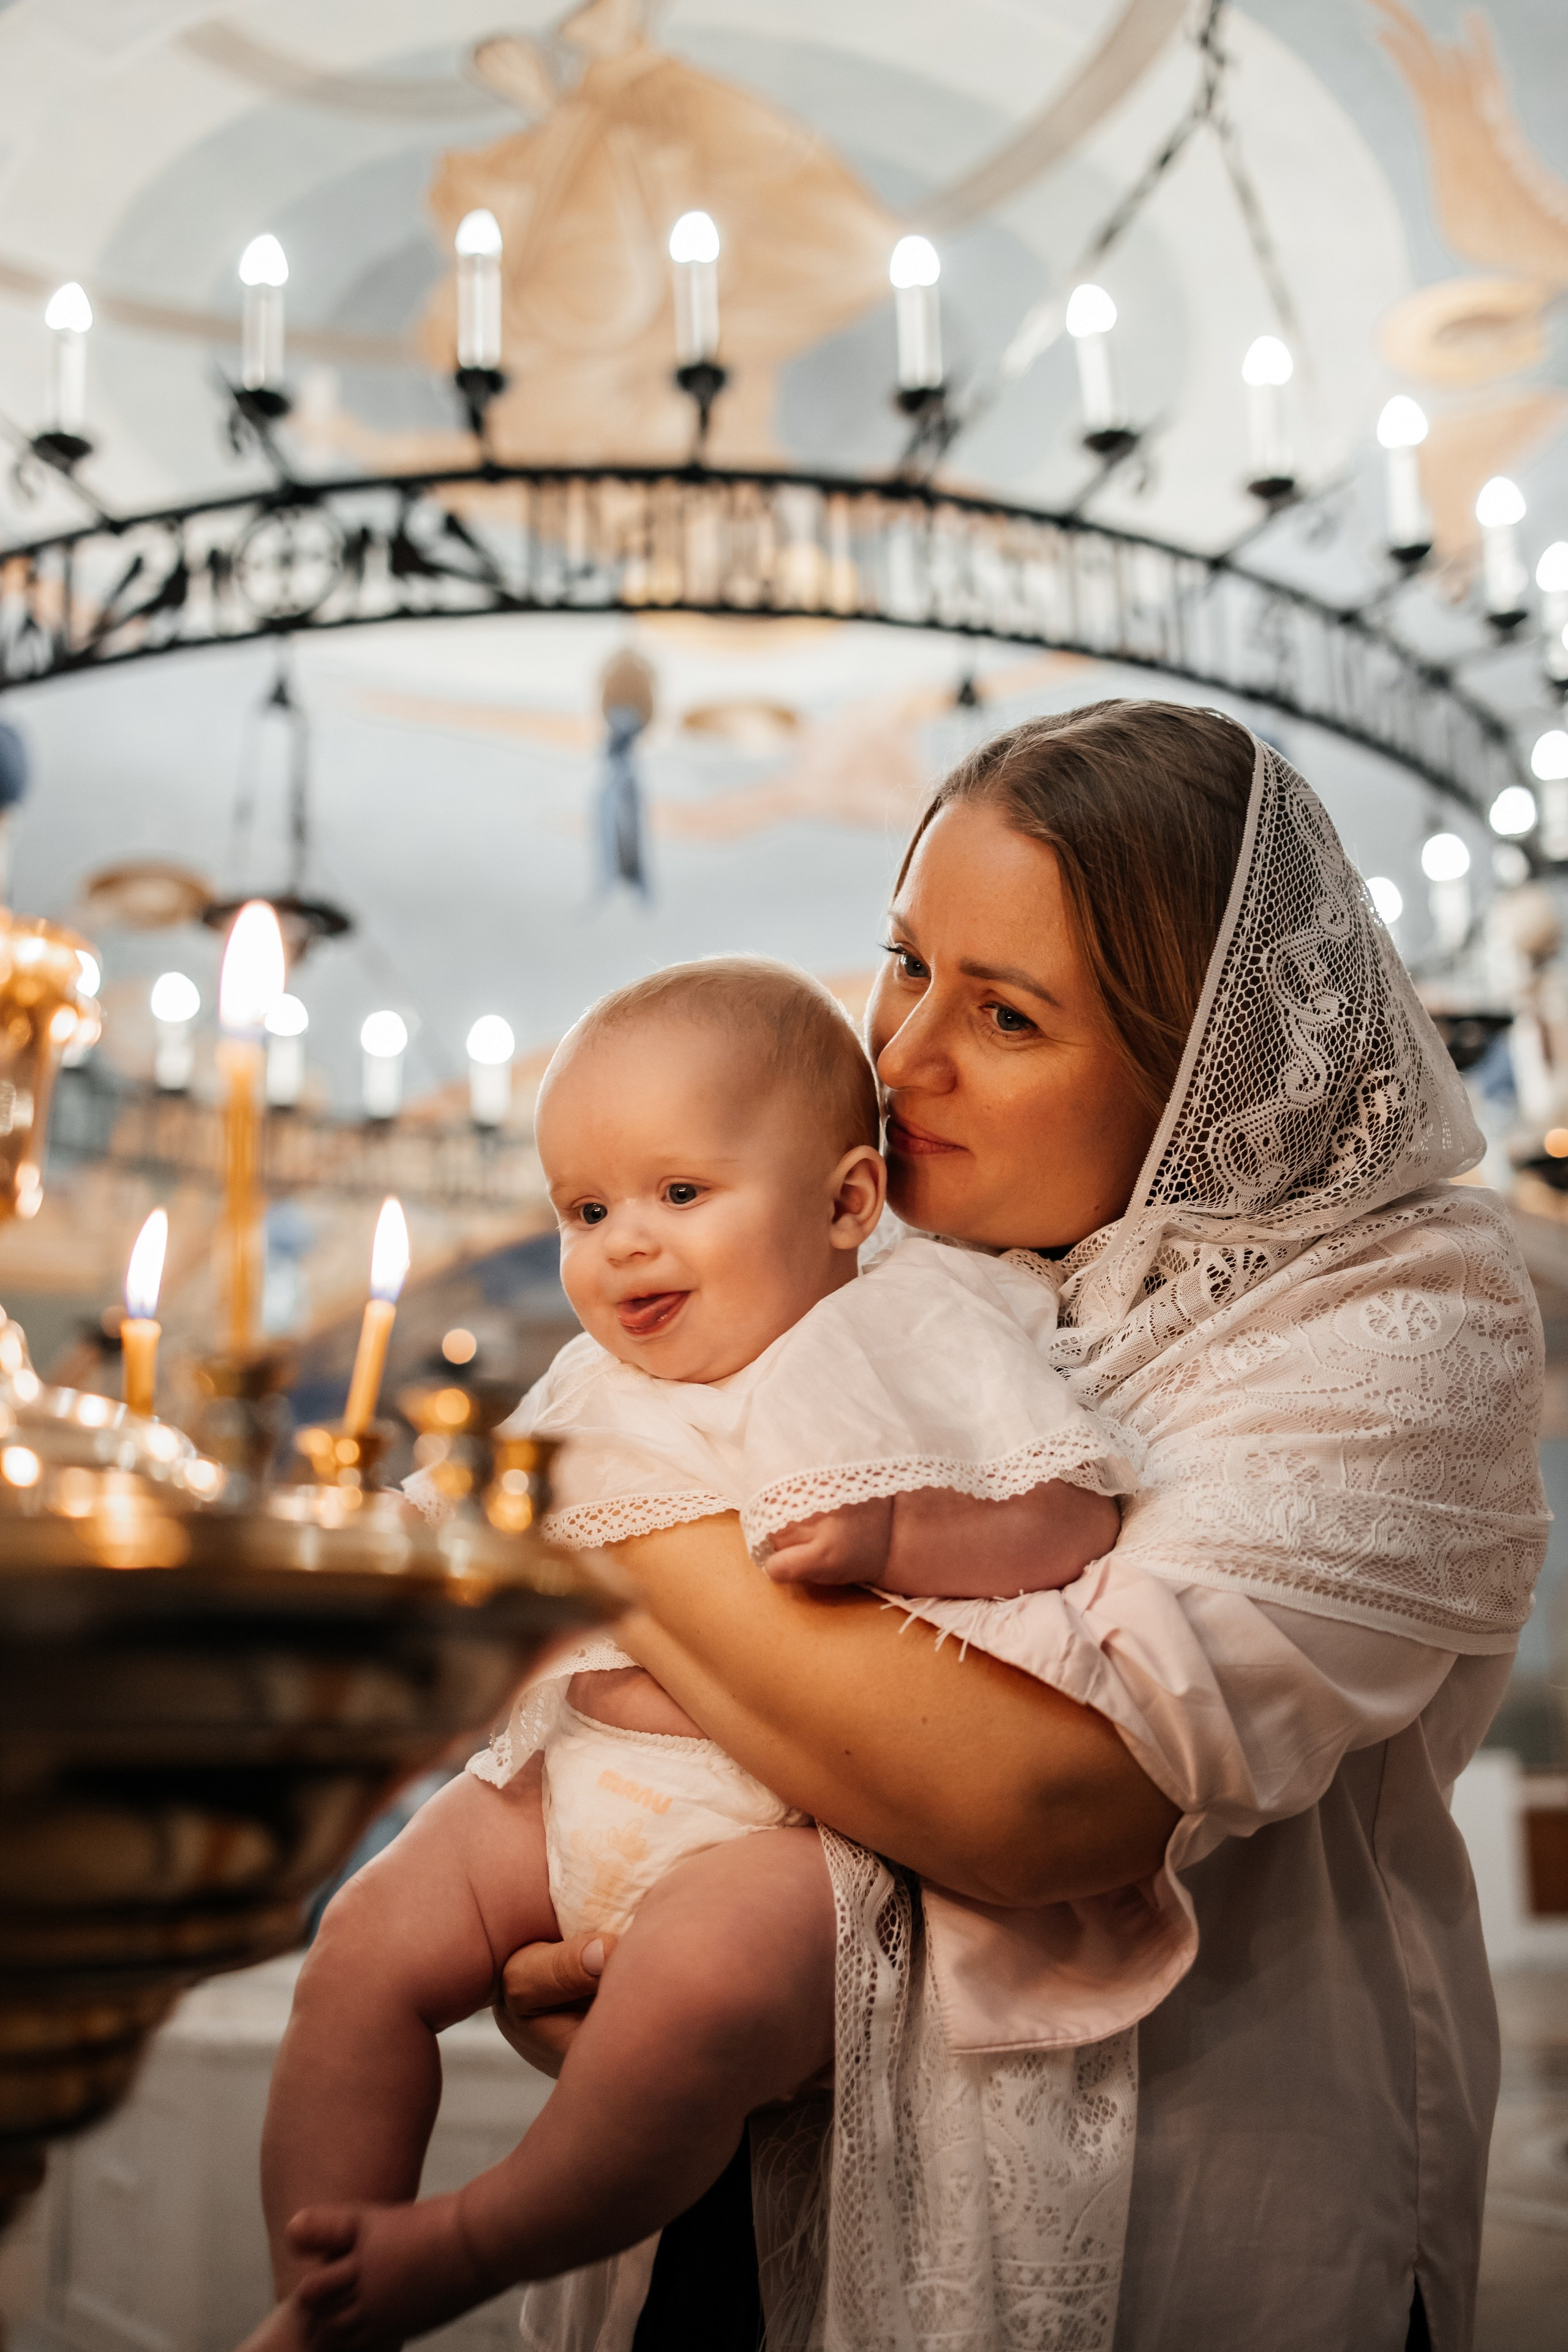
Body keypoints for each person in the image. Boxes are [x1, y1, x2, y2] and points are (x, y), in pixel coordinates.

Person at [497, 703, 1548, 2352]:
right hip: (741, 2208)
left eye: (1005, 1013)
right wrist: (626, 1932)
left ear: (1200, 1064)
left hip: (1188, 2241)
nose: (901, 1056)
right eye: (907, 962)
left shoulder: (1405, 1303)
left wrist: (603, 1515)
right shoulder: (863, 1262)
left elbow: (1050, 1797)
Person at [249, 959, 1137, 2351]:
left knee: (697, 1999)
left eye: (678, 1194)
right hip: (571, 1778)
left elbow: (1066, 1509)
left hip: (773, 1825)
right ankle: (319, 2290)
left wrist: (897, 1534)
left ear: (847, 1202)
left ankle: (468, 2242)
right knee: (361, 1944)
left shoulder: (913, 1327)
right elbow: (490, 1523)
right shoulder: (591, 1379)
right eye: (585, 1210)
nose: (622, 1245)